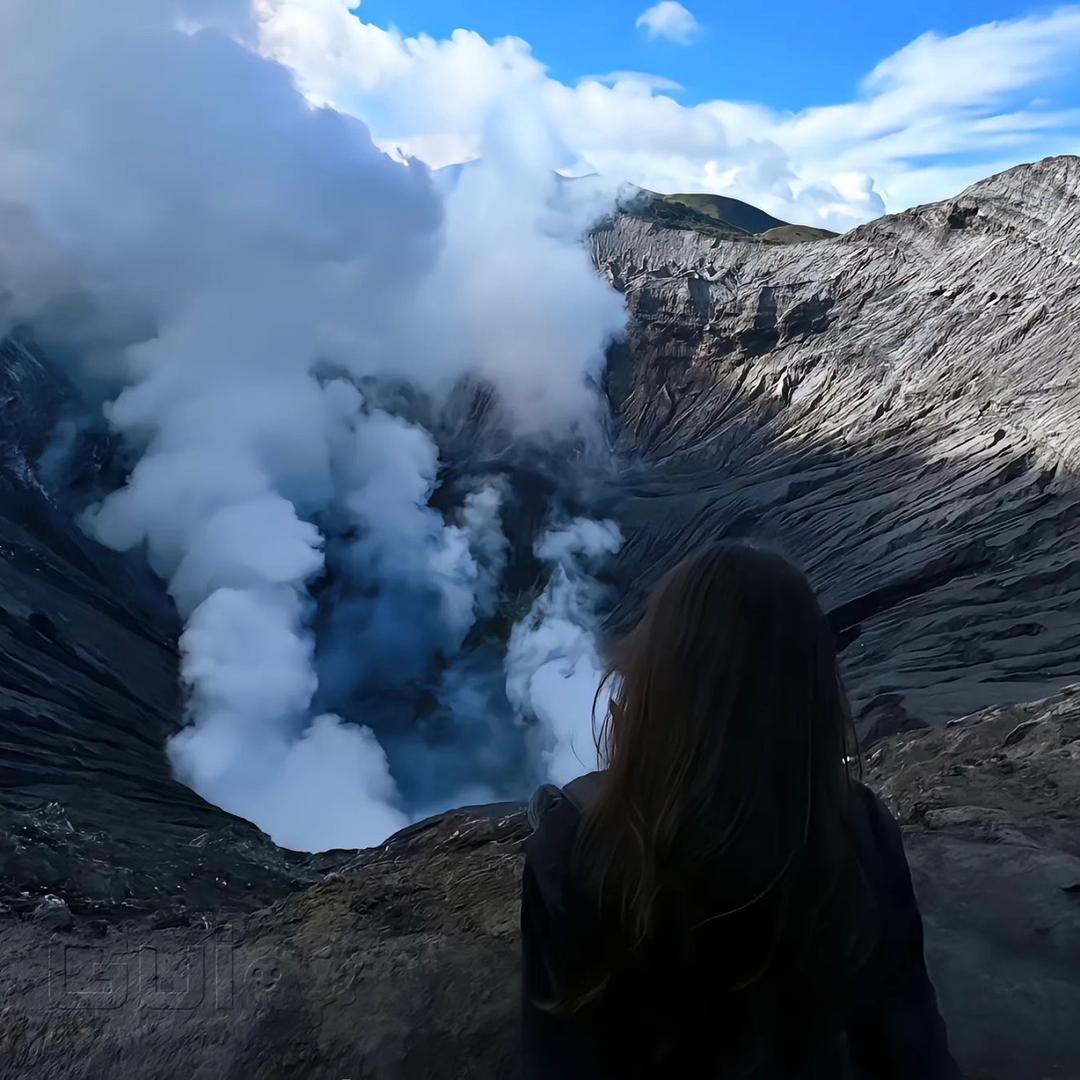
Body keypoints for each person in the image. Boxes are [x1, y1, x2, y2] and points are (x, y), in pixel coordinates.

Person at [521, 541, 960, 1079]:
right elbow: (908, 1043)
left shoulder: (571, 845)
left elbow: (559, 1054)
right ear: (811, 690)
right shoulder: (859, 829)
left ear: (658, 678)